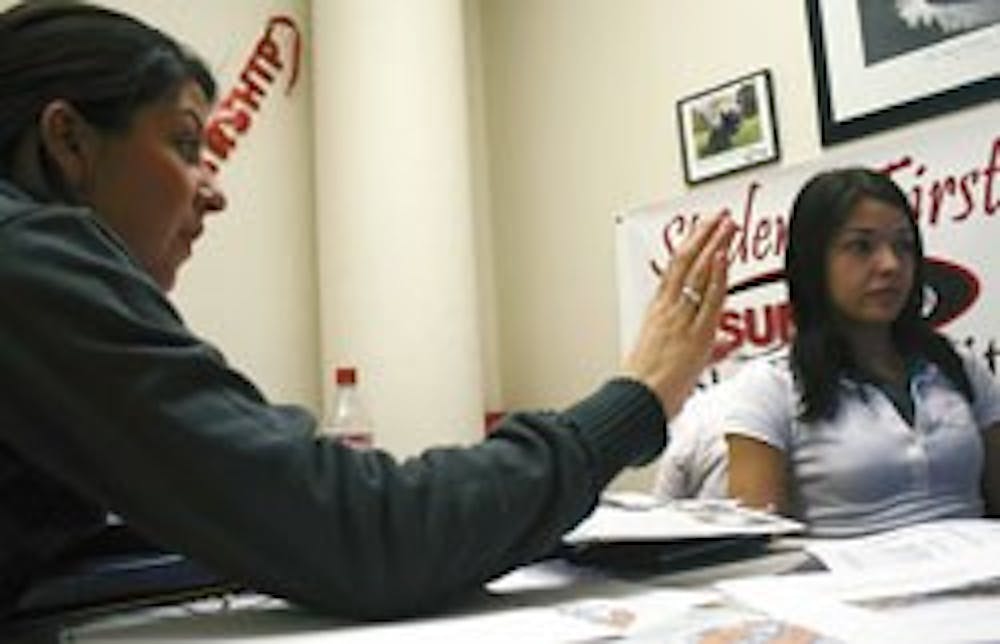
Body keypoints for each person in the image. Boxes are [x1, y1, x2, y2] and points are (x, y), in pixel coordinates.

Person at [0, 1, 736, 621]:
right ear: (68, 140)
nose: (213, 189)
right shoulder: (24, 261)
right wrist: (633, 403)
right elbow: (363, 534)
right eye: (186, 144)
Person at [724, 167, 1000, 537]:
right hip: (850, 590)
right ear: (814, 263)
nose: (890, 265)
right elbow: (757, 548)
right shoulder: (770, 387)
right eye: (861, 246)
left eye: (903, 245)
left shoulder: (959, 367)